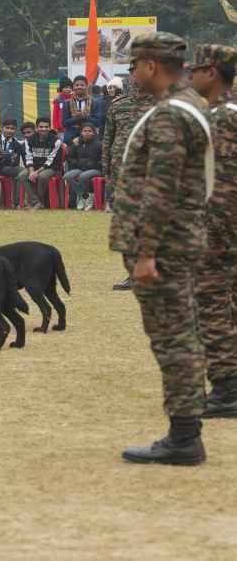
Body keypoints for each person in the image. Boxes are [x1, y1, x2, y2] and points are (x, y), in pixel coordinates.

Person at [110, 32, 212, 466]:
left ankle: (184, 436)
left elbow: (160, 189)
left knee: (173, 340)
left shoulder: (171, 114)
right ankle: (185, 431)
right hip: (181, 239)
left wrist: (147, 251)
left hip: (165, 246)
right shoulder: (191, 104)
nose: (132, 74)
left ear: (151, 65)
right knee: (180, 335)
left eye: (134, 66)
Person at [189, 44, 237, 419]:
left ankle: (227, 391)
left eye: (197, 69)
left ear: (213, 73)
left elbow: (220, 184)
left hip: (221, 234)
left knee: (213, 306)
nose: (190, 75)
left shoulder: (221, 118)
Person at [104, 69, 155, 290]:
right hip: (122, 175)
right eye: (133, 74)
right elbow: (108, 139)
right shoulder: (117, 105)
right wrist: (106, 171)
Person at [18, 116, 63, 209]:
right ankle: (36, 202)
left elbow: (51, 160)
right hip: (34, 167)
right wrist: (31, 171)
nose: (44, 129)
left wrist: (36, 172)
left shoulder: (56, 140)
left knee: (42, 176)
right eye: (41, 127)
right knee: (22, 176)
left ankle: (40, 202)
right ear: (36, 128)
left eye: (46, 127)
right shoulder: (29, 140)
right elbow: (29, 157)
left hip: (51, 167)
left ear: (50, 128)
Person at [0, 118, 33, 206]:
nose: (10, 130)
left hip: (7, 169)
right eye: (7, 128)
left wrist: (10, 158)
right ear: (2, 128)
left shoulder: (16, 144)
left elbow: (15, 163)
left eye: (12, 128)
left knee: (23, 172)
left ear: (15, 130)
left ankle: (17, 202)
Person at [63, 122, 103, 210]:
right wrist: (77, 163)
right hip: (80, 168)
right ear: (81, 132)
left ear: (94, 132)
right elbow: (70, 157)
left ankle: (88, 199)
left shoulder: (99, 144)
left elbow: (101, 159)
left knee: (83, 176)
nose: (87, 132)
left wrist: (92, 164)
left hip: (95, 169)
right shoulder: (77, 143)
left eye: (89, 131)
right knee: (67, 176)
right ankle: (83, 197)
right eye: (85, 131)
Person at [61, 75, 103, 143]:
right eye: (77, 85)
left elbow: (98, 122)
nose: (79, 87)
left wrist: (85, 117)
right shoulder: (67, 103)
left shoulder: (95, 102)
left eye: (82, 85)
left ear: (86, 86)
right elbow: (64, 123)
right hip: (71, 139)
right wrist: (77, 118)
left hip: (90, 137)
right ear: (73, 87)